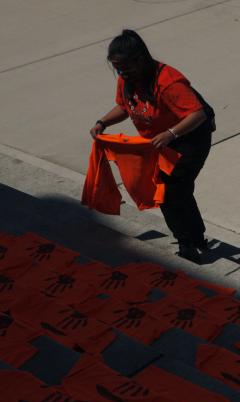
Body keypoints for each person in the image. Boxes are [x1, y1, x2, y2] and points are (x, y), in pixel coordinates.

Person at [90, 29, 213, 264]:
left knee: (171, 191)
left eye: (125, 66)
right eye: (117, 68)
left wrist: (170, 133)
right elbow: (125, 107)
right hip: (160, 143)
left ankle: (188, 242)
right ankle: (195, 237)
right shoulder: (127, 80)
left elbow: (197, 114)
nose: (122, 72)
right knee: (176, 191)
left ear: (140, 59)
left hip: (189, 139)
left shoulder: (168, 82)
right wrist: (102, 122)